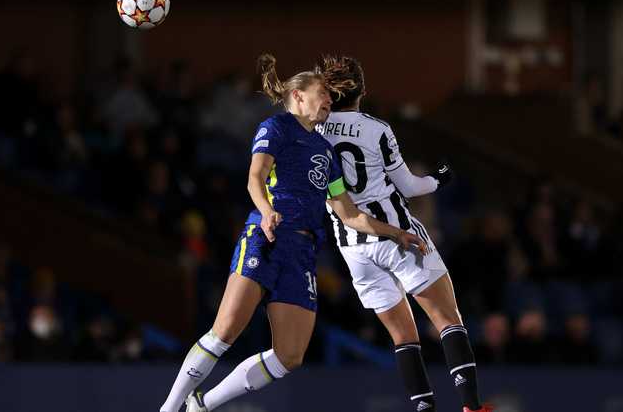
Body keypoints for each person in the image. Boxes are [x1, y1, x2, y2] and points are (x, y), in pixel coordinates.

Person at [159, 54, 426, 412]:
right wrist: (268, 212)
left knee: (290, 355)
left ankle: (203, 405)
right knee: (224, 331)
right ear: (298, 94)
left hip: (302, 250)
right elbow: (255, 178)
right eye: (323, 94)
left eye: (332, 97)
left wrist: (395, 232)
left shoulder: (326, 152)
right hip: (267, 236)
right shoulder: (276, 127)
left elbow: (348, 214)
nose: (330, 100)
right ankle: (169, 408)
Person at [316, 55, 491, 412]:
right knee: (447, 319)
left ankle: (424, 408)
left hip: (352, 248)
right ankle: (472, 407)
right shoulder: (376, 129)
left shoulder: (315, 130)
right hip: (397, 236)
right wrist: (440, 178)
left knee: (403, 337)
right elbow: (409, 187)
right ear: (362, 90)